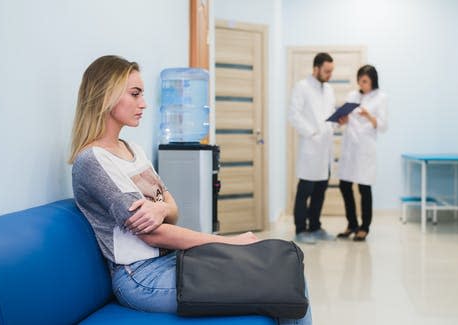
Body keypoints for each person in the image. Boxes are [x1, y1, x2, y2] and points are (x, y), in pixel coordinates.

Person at [69, 55, 312, 324]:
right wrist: (231, 243)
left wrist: (160, 207)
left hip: (173, 260)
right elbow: (154, 234)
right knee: (280, 286)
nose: (144, 104)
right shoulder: (92, 160)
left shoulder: (132, 150)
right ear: (106, 95)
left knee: (288, 274)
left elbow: (172, 210)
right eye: (135, 94)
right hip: (140, 278)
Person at [288, 52, 336, 244]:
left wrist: (338, 120)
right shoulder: (302, 87)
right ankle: (301, 230)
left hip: (325, 150)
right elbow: (293, 115)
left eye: (331, 71)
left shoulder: (329, 90)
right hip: (311, 147)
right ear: (316, 68)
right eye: (326, 71)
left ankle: (315, 227)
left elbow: (329, 116)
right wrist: (313, 133)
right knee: (305, 191)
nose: (329, 74)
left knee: (320, 191)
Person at [336, 65, 388, 241]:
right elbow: (347, 119)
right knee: (344, 185)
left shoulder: (381, 98)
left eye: (365, 81)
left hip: (366, 148)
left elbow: (383, 126)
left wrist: (368, 116)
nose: (361, 83)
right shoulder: (352, 96)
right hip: (350, 147)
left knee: (364, 187)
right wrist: (342, 120)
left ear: (373, 81)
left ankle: (365, 227)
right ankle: (352, 223)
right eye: (359, 80)